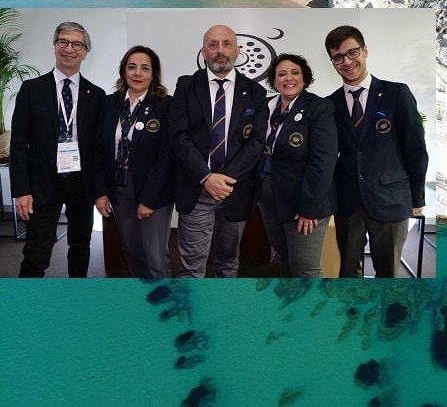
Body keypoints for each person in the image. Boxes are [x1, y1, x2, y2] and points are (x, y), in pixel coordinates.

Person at [324, 25, 429, 277]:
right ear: (332, 62)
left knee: (388, 272)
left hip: (391, 199)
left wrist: (417, 198)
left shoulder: (397, 93)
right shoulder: (329, 104)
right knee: (348, 272)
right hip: (348, 203)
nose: (347, 61)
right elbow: (327, 156)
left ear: (365, 51)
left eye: (352, 52)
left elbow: (415, 148)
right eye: (338, 57)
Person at [169, 24, 267, 278]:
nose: (219, 51)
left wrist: (223, 180)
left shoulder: (255, 92)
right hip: (197, 188)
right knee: (191, 267)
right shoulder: (186, 86)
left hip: (235, 190)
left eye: (226, 44)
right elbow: (179, 136)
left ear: (237, 50)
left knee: (228, 263)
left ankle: (222, 313)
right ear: (203, 52)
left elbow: (257, 142)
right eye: (213, 45)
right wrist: (206, 177)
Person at [11, 21, 105, 277]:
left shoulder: (96, 95)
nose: (69, 49)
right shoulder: (31, 90)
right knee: (36, 254)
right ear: (54, 46)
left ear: (85, 52)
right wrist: (21, 191)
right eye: (63, 41)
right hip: (42, 184)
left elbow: (99, 149)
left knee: (80, 247)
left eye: (77, 44)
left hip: (81, 184)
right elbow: (18, 144)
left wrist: (100, 191)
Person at [95, 46, 174, 278]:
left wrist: (148, 200)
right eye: (132, 67)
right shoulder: (110, 104)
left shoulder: (165, 105)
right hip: (120, 187)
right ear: (124, 72)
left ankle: (164, 306)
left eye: (144, 68)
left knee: (155, 256)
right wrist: (100, 192)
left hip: (154, 191)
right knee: (132, 251)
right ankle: (141, 301)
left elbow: (166, 157)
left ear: (154, 74)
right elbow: (100, 151)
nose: (137, 73)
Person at [255, 53, 337, 278]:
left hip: (303, 204)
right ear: (274, 81)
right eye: (281, 74)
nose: (288, 78)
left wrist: (309, 208)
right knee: (284, 260)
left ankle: (310, 313)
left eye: (294, 73)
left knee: (304, 269)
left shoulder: (319, 107)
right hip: (270, 201)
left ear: (304, 78)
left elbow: (323, 161)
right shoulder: (265, 107)